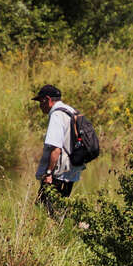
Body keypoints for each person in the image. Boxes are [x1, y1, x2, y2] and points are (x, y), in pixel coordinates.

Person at [32, 84, 84, 215]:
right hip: (72, 167)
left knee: (44, 207)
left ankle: (75, 227)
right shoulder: (70, 111)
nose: (39, 106)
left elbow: (56, 148)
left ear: (47, 99)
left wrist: (49, 173)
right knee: (61, 206)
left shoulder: (56, 115)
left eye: (40, 101)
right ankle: (71, 229)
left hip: (59, 171)